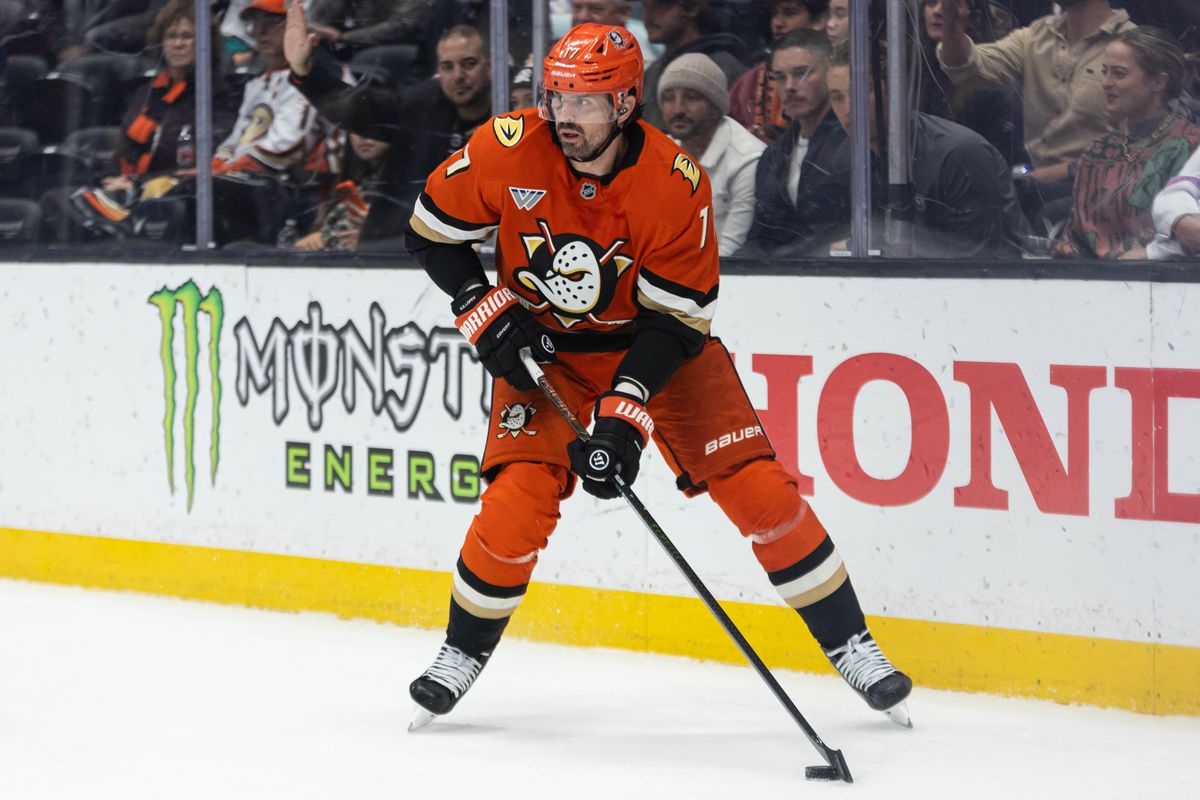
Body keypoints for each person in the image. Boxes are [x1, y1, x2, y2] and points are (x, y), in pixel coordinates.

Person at [402, 22, 913, 731]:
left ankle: (852, 644)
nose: (563, 116)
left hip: (660, 352)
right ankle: (460, 652)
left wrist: (625, 412)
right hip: (547, 353)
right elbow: (430, 232)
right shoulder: (510, 146)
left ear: (625, 103)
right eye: (556, 98)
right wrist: (479, 303)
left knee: (759, 491)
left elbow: (676, 323)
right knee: (516, 502)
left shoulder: (676, 183)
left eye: (584, 102)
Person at [285, 3, 492, 248]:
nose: (458, 75)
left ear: (490, 65)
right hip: (411, 246)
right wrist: (305, 71)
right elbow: (363, 111)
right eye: (447, 66)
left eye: (469, 64)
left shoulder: (512, 109)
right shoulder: (424, 102)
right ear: (438, 70)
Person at [38, 0, 236, 243]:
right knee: (56, 198)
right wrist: (112, 179)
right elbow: (126, 148)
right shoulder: (146, 92)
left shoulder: (215, 95)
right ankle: (115, 226)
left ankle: (116, 228)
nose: (178, 43)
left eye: (187, 36)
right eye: (171, 36)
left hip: (173, 190)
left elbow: (201, 160)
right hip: (131, 190)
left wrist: (137, 182)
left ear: (205, 44)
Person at [826, 40, 1029, 258]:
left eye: (863, 91)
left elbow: (977, 261)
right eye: (837, 97)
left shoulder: (958, 154)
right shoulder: (846, 158)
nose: (849, 108)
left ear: (895, 91)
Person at [936, 0, 1136, 217]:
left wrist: (1060, 172)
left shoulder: (1134, 45)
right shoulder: (1038, 35)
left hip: (1102, 191)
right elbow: (967, 67)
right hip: (1033, 183)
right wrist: (952, 24)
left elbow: (1149, 147)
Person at [1053, 28, 1200, 260]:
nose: (1106, 83)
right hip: (1087, 282)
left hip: (1166, 283)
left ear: (1158, 82)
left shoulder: (1192, 147)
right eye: (1104, 72)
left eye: (1119, 74)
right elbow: (1075, 238)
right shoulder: (1098, 151)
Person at [742, 29, 848, 257]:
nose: (789, 86)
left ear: (831, 74)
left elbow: (830, 234)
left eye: (802, 73)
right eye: (780, 77)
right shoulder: (773, 155)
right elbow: (760, 236)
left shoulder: (853, 147)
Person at [660, 53, 765, 255]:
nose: (678, 109)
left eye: (691, 98)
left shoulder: (747, 160)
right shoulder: (659, 153)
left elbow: (729, 253)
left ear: (716, 107)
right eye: (668, 98)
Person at [213, 0, 329, 176]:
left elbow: (286, 147)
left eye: (272, 21)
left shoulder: (315, 74)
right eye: (256, 23)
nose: (260, 32)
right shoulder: (258, 82)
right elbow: (238, 138)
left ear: (298, 24)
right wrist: (214, 167)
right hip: (255, 180)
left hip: (306, 190)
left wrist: (226, 171)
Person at [918, 0, 1025, 167]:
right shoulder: (914, 70)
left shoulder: (991, 82)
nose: (938, 11)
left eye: (950, 5)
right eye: (931, 2)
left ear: (976, 15)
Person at [728, 0, 829, 145]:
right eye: (774, 14)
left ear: (819, 20)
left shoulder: (838, 73)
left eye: (789, 13)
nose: (777, 23)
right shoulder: (751, 79)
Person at [641, 0, 748, 130]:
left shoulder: (722, 67)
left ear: (690, 9)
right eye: (645, 6)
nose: (649, 17)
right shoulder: (652, 71)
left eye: (660, 6)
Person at [292, 131, 392, 252]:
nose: (365, 137)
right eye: (358, 127)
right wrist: (313, 241)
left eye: (377, 128)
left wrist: (374, 237)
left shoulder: (410, 189)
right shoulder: (356, 181)